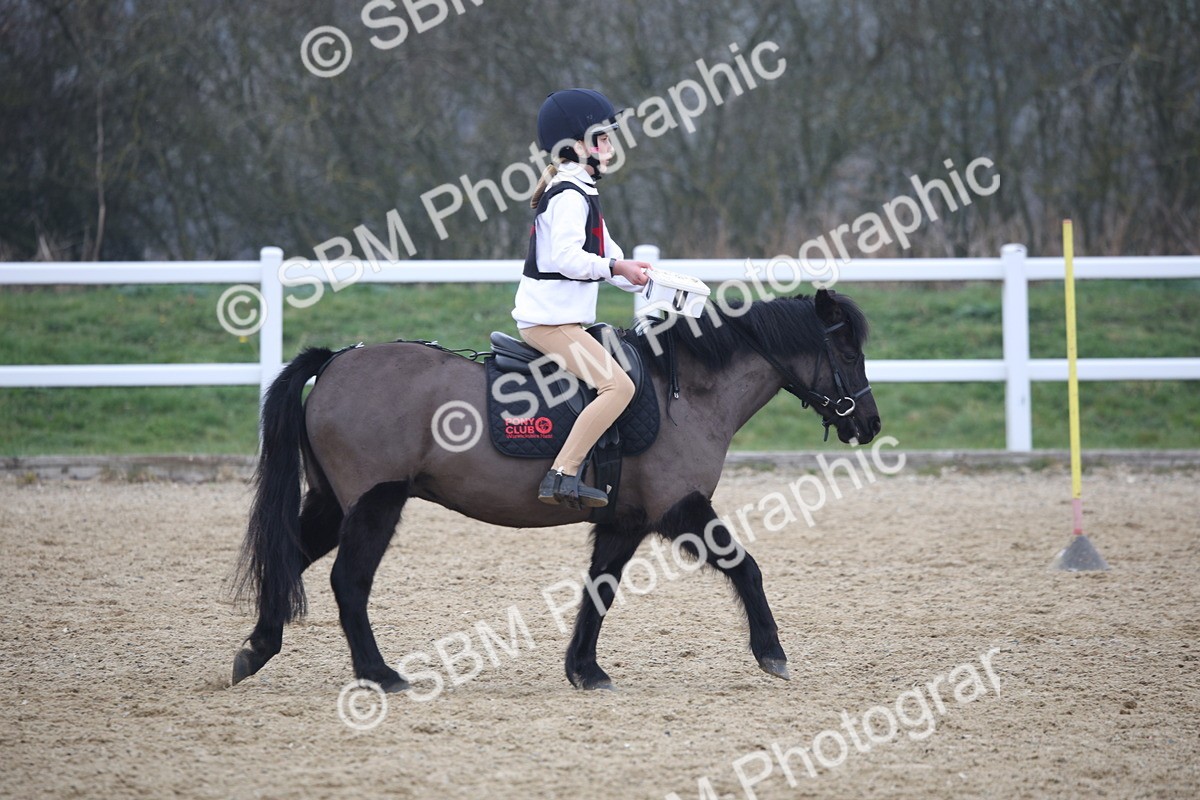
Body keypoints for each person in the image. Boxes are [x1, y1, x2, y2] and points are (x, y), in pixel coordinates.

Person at [512, 88, 652, 509]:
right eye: (602, 137)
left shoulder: (583, 190)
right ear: (574, 146)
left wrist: (648, 280)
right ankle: (562, 474)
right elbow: (570, 259)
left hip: (562, 319)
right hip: (549, 323)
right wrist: (615, 269)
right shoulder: (570, 196)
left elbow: (611, 257)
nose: (610, 145)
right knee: (617, 387)